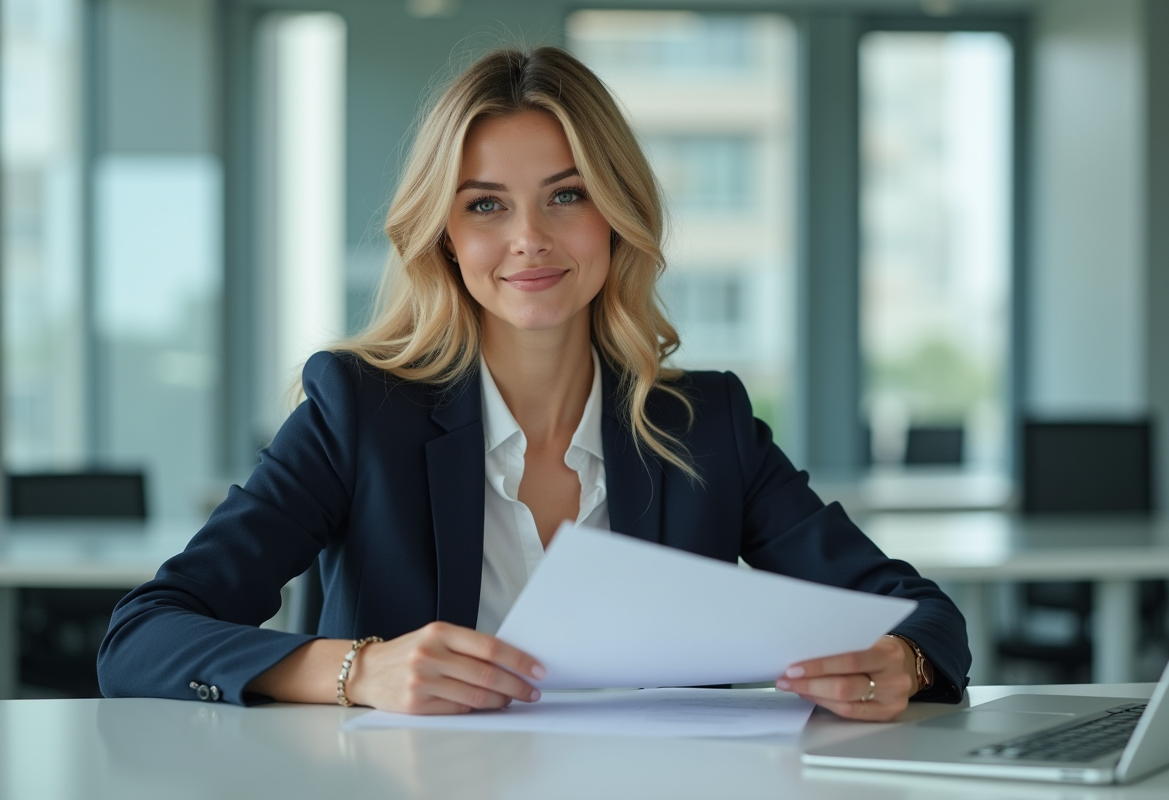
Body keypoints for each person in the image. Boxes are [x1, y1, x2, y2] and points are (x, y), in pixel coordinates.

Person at [98, 46, 970, 722]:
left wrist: (906, 663)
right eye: (485, 205)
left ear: (617, 215)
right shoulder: (359, 411)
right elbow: (141, 638)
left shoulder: (707, 424)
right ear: (443, 235)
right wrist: (361, 672)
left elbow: (923, 617)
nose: (528, 239)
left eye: (567, 195)